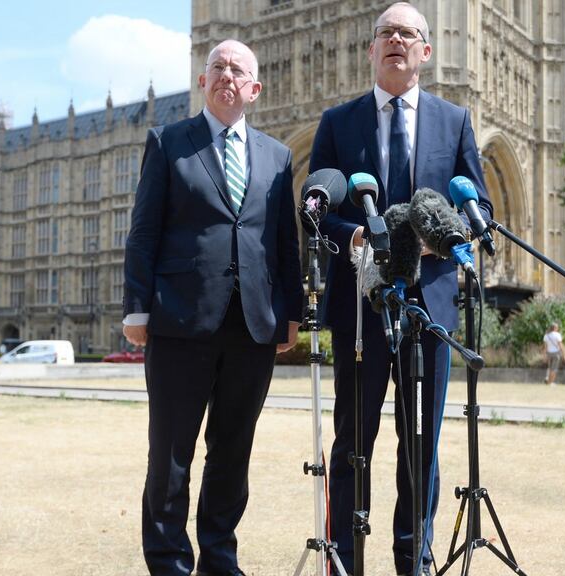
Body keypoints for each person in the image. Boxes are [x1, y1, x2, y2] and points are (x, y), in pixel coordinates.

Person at [308, 3, 493, 573]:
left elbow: (479, 205)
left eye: (408, 33)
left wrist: (445, 236)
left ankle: (413, 561)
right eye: (385, 33)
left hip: (430, 309)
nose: (395, 40)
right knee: (351, 445)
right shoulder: (339, 123)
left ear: (425, 52)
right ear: (370, 49)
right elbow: (320, 209)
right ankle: (347, 561)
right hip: (361, 310)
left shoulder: (454, 120)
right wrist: (359, 235)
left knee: (421, 449)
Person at [122, 38, 303, 575]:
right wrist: (137, 308)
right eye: (218, 66)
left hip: (252, 323)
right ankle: (171, 562)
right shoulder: (168, 140)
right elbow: (144, 231)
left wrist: (289, 311)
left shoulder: (277, 155)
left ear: (254, 87)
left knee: (232, 454)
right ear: (203, 80)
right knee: (171, 455)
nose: (227, 75)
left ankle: (220, 560)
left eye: (238, 69)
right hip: (181, 318)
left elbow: (284, 241)